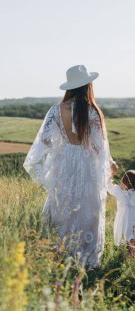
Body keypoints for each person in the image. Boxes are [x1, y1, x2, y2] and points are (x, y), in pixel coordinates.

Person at [24, 64, 118, 267]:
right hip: (86, 163)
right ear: (87, 86)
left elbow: (45, 141)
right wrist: (110, 166)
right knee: (87, 207)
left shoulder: (56, 111)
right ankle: (86, 259)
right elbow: (99, 147)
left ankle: (61, 253)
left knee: (63, 205)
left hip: (65, 161)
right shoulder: (92, 112)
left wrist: (62, 146)